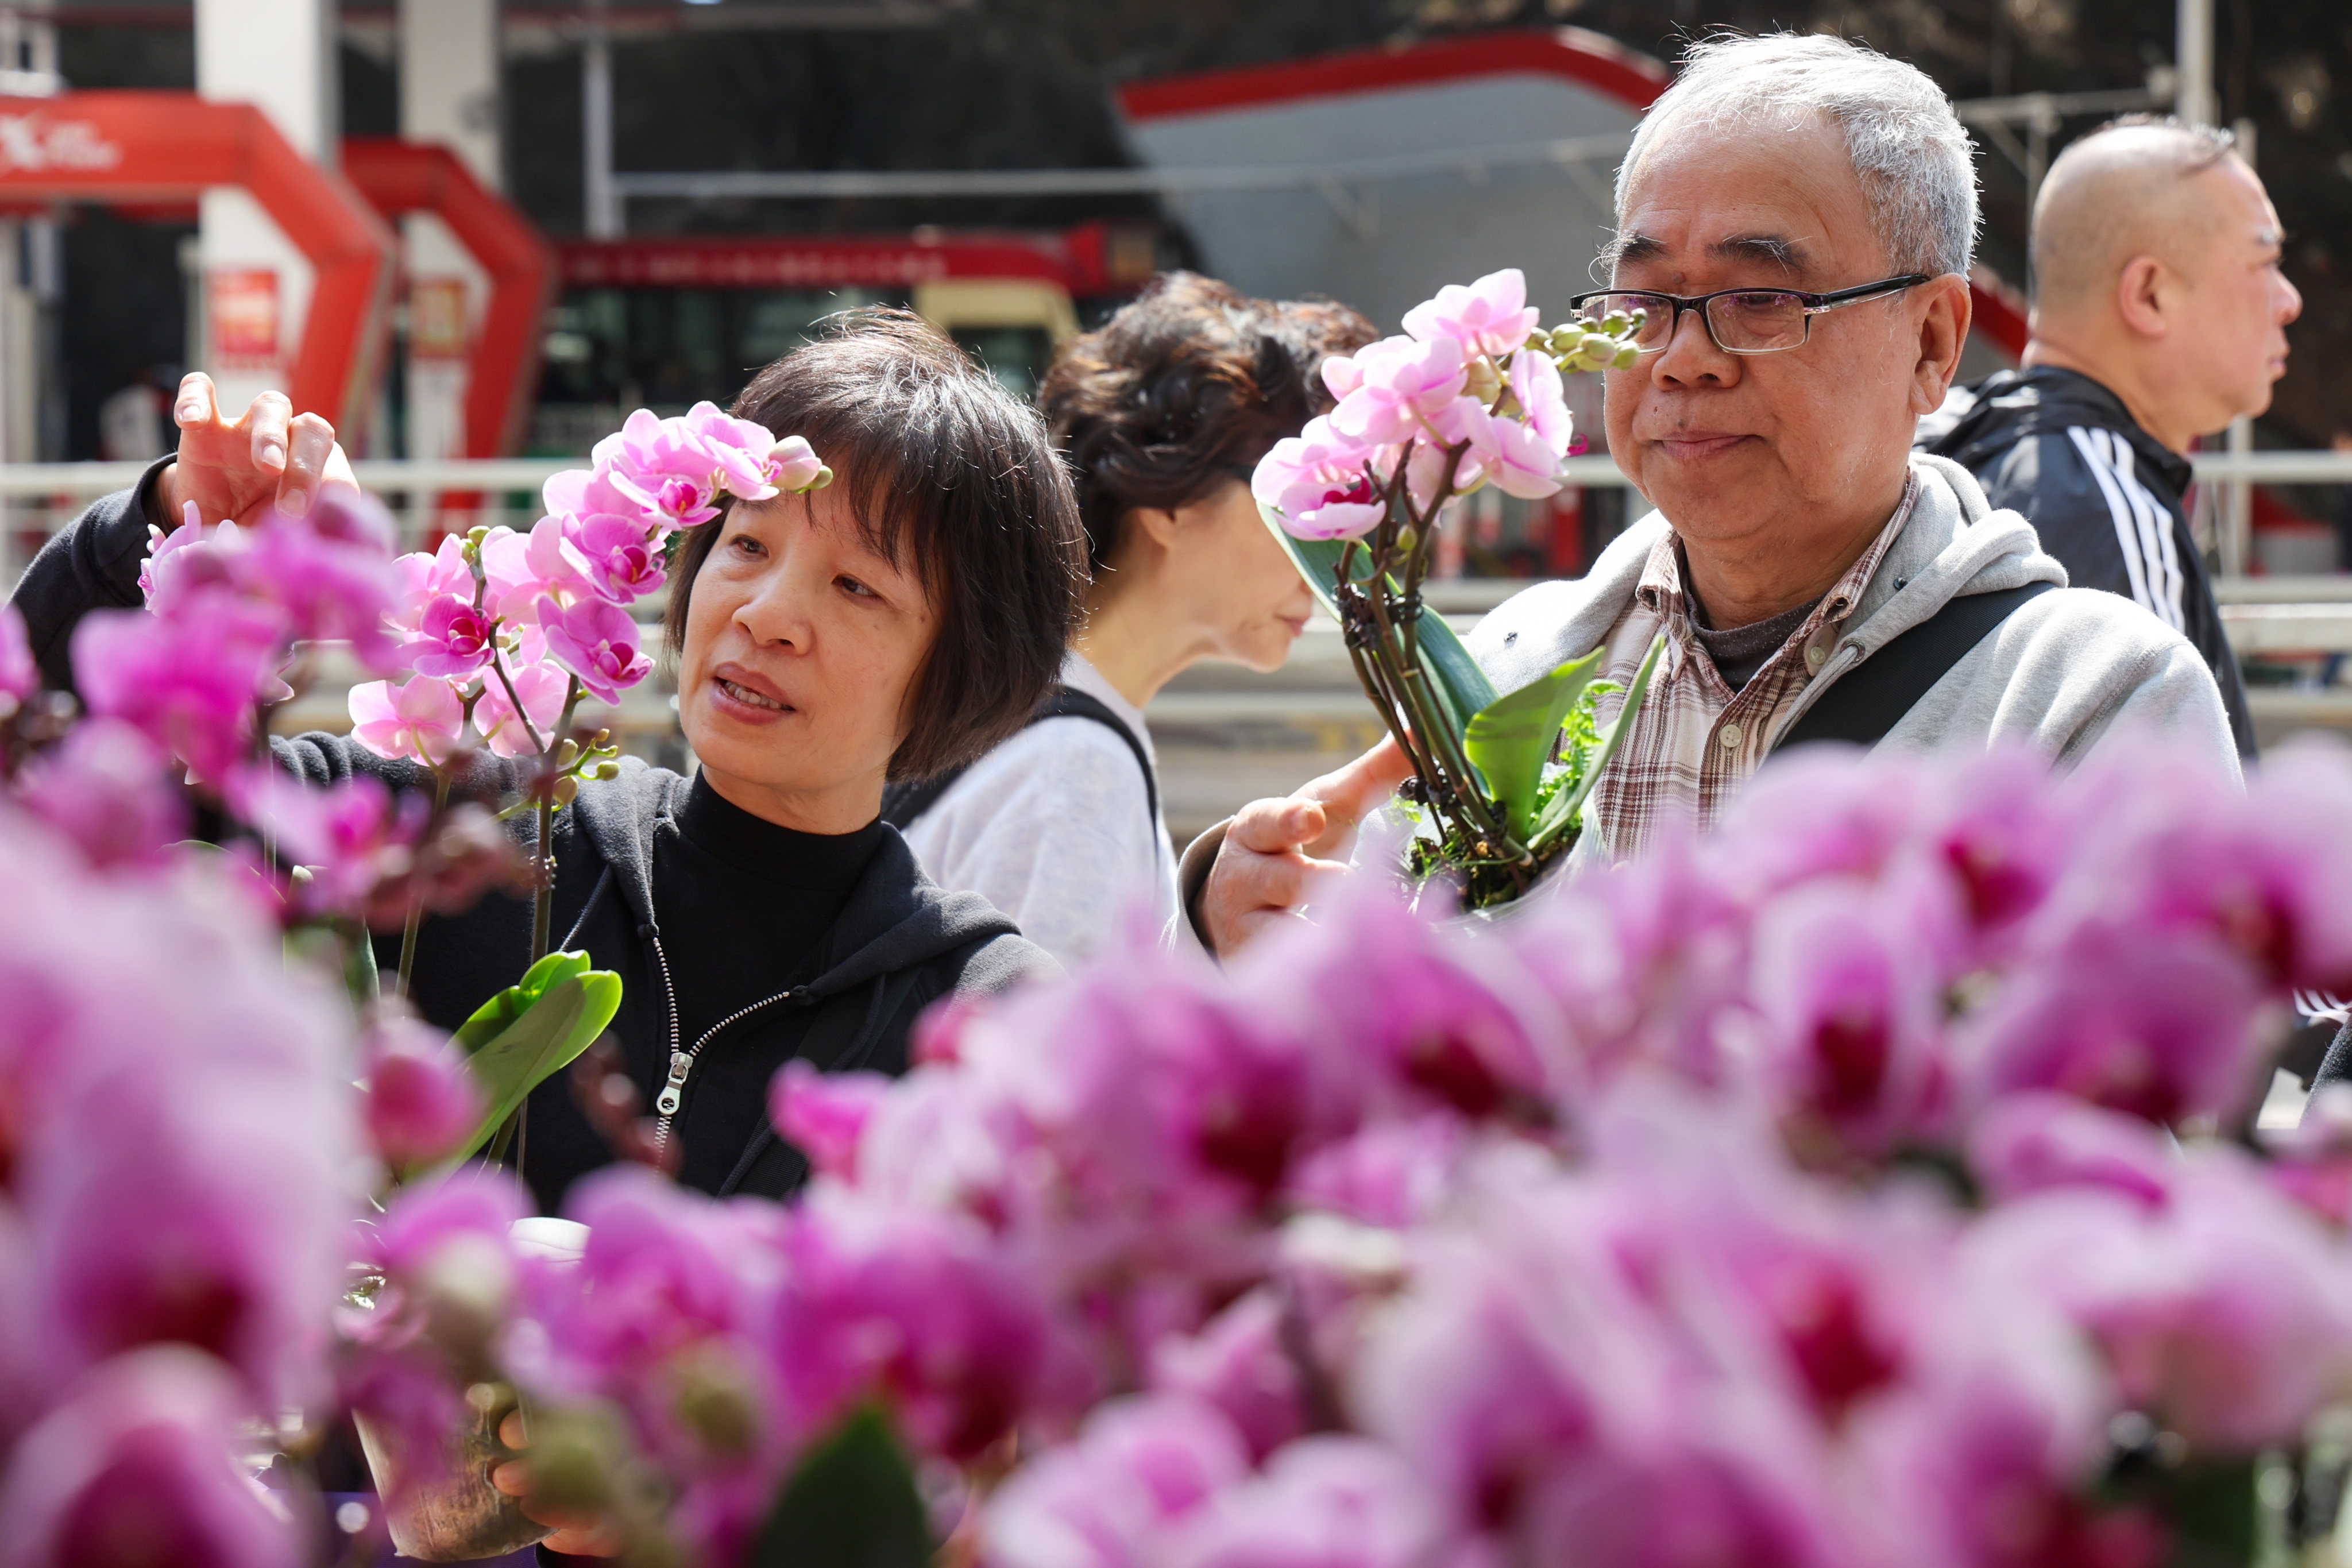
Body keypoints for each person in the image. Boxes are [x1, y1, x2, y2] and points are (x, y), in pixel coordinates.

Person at [1185, 32, 2239, 958]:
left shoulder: (2091, 704)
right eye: (1644, 302)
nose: (1684, 360)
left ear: (1932, 342)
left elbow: (2156, 1115)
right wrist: (1238, 936)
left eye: (1762, 298)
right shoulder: (1501, 681)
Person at [11, 309, 1088, 1211]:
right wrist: (154, 540)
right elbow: (78, 797)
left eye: (858, 587)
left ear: (964, 668)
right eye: (748, 545)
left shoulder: (982, 1023)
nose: (767, 614)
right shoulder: (467, 840)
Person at [886, 273, 1375, 966]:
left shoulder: (1022, 708)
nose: (1333, 560)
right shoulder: (1071, 771)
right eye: (1301, 505)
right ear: (1169, 493)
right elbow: (1047, 1064)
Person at [1918, 117, 2295, 761]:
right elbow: (2165, 841)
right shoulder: (2103, 504)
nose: (2288, 300)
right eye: (2266, 261)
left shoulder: (1943, 436)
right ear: (2149, 294)